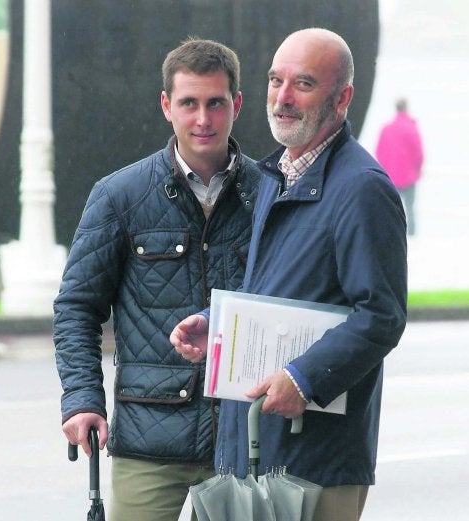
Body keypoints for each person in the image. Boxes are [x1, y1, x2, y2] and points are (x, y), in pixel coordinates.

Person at [170, 28, 407, 521]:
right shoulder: (273, 176)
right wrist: (216, 321)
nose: (282, 98)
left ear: (342, 99)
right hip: (255, 446)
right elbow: (276, 289)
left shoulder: (362, 188)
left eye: (303, 84)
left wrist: (303, 379)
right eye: (275, 81)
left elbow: (381, 315)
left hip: (314, 462)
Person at [53, 38, 261, 521]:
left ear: (238, 105)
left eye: (216, 103)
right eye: (189, 103)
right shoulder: (119, 195)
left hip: (244, 439)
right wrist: (82, 399)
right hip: (148, 441)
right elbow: (77, 307)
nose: (203, 119)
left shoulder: (267, 196)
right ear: (167, 105)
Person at [375, 97, 424, 235]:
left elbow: (379, 151)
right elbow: (419, 153)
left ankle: (392, 235)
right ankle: (412, 237)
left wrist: (384, 171)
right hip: (409, 176)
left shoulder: (387, 129)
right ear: (406, 108)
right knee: (410, 208)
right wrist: (417, 171)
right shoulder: (411, 128)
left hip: (390, 176)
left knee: (392, 210)